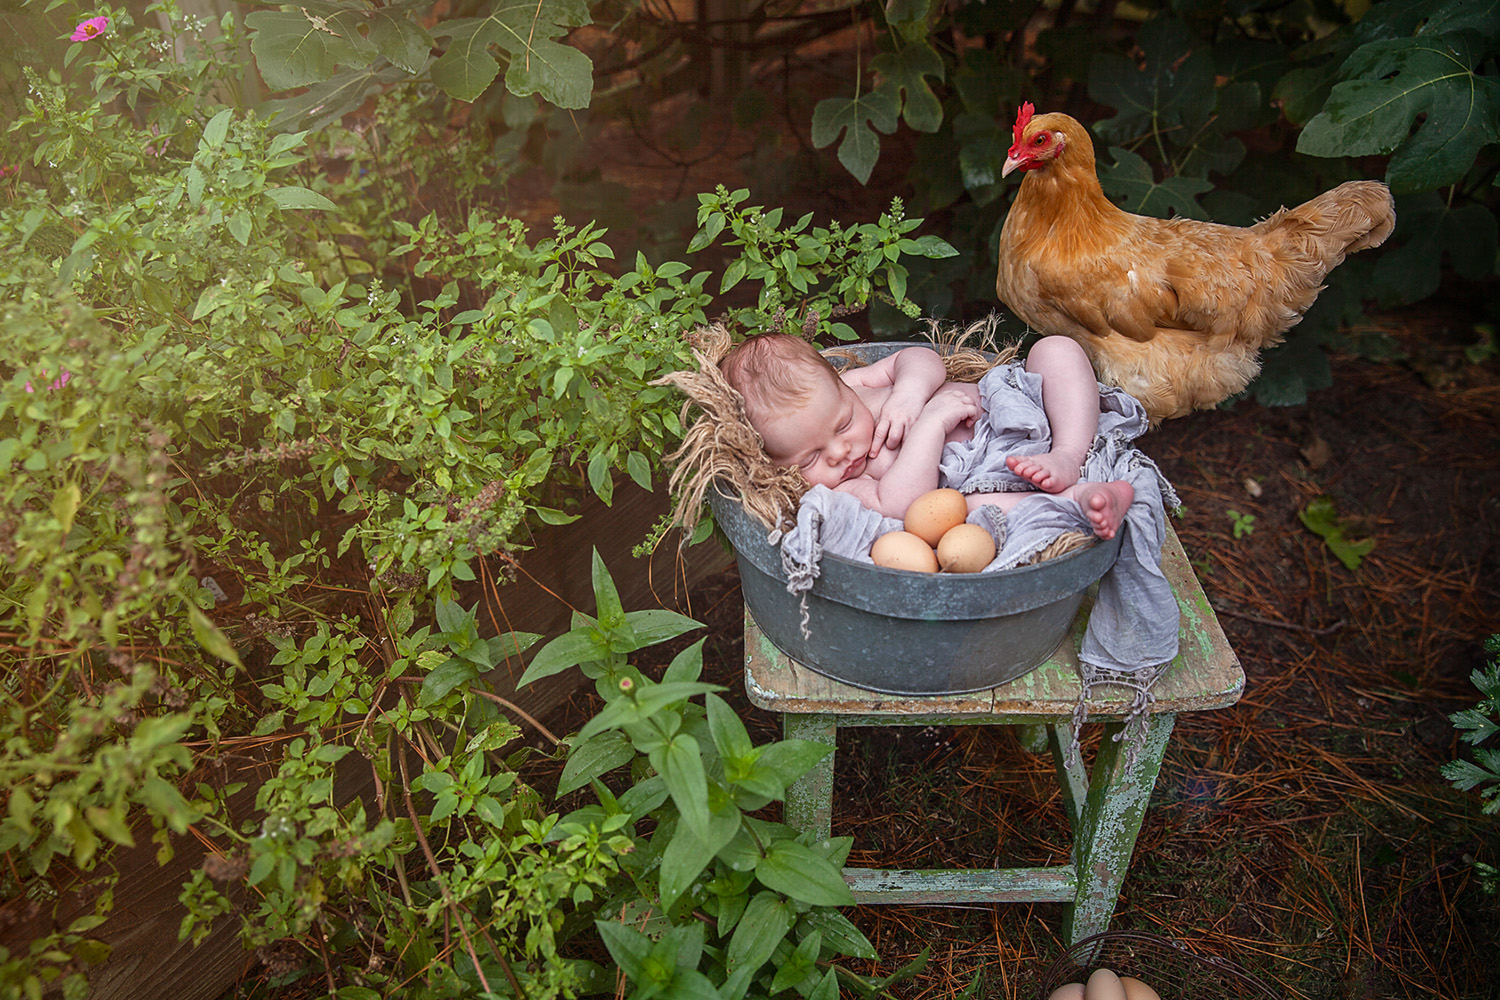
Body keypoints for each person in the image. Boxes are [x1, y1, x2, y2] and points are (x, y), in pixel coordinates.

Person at [719, 333, 1134, 539]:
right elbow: (902, 505)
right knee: (969, 512)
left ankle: (1069, 452)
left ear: (841, 383)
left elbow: (919, 358)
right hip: (985, 480)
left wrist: (910, 393)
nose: (840, 452)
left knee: (1055, 349)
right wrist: (930, 423)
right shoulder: (843, 492)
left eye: (844, 424)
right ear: (772, 464)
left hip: (1012, 415)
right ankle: (1079, 500)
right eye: (809, 458)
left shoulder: (854, 384)